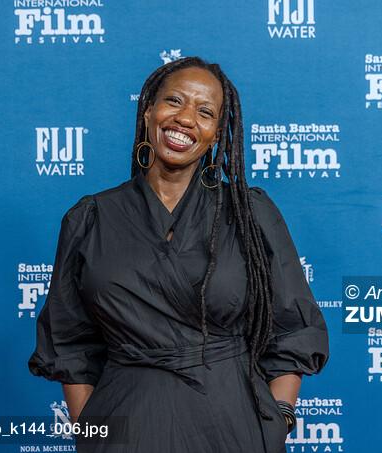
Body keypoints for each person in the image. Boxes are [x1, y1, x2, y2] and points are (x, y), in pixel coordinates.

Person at [28, 56, 329, 453]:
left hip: (234, 427)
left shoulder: (249, 213)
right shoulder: (91, 218)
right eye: (174, 101)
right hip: (125, 429)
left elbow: (293, 328)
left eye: (205, 112)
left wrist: (280, 418)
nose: (186, 118)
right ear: (148, 110)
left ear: (216, 134)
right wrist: (91, 432)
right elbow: (69, 342)